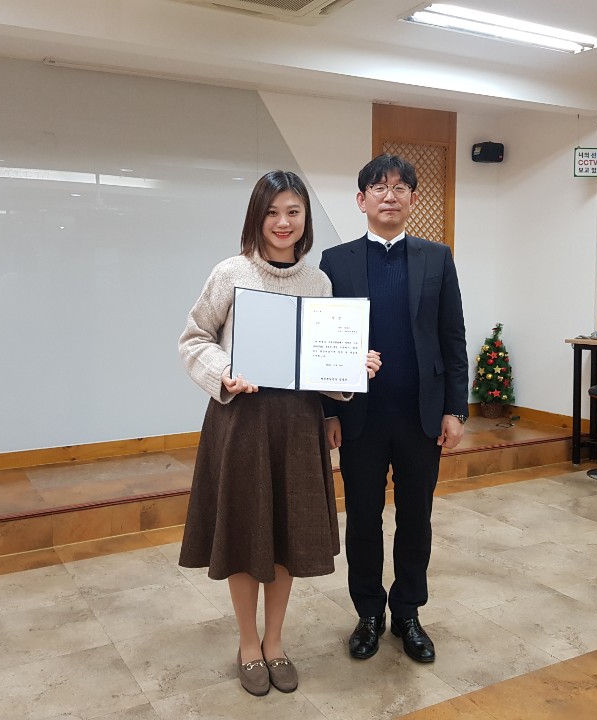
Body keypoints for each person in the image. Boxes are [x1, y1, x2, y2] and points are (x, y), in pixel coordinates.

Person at [178, 170, 380, 696]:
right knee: (246, 532)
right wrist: (224, 372)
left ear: (305, 218)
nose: (283, 222)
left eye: (293, 211)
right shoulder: (230, 272)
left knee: (287, 535)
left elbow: (318, 365)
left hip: (297, 427)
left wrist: (351, 370)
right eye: (272, 212)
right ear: (257, 217)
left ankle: (275, 640)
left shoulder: (318, 283)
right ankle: (248, 644)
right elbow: (194, 338)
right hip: (241, 422)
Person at [319, 154, 468, 664]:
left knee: (416, 519)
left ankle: (407, 612)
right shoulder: (336, 261)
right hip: (358, 418)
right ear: (361, 200)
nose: (390, 196)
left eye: (400, 188)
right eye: (379, 188)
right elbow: (323, 343)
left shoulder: (437, 257)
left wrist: (456, 409)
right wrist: (328, 413)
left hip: (420, 417)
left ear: (412, 199)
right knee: (363, 519)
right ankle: (368, 613)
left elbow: (452, 337)